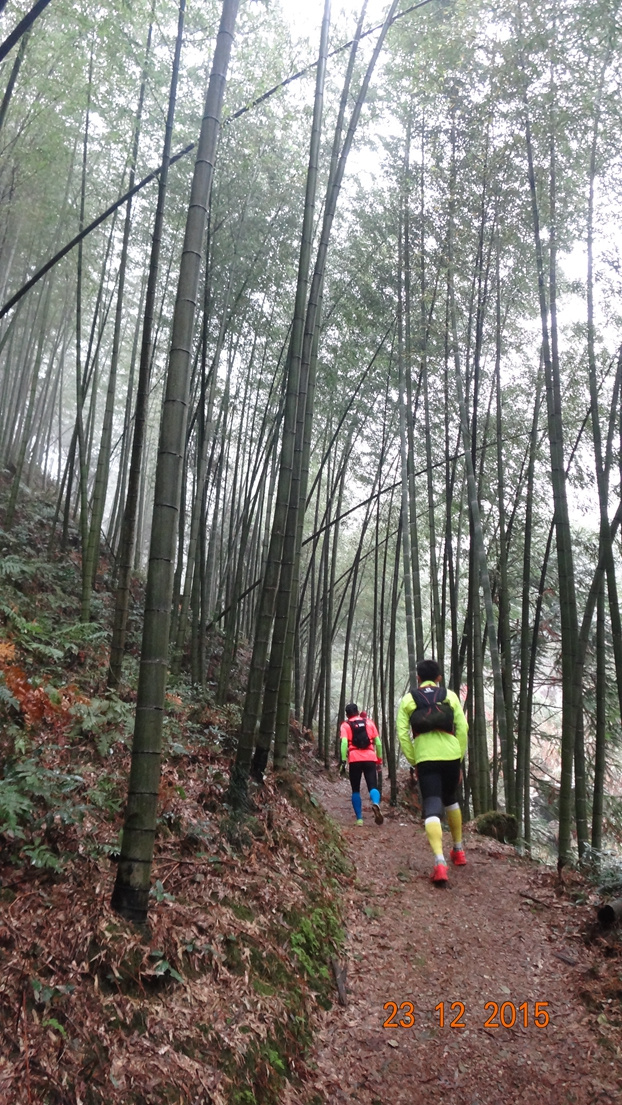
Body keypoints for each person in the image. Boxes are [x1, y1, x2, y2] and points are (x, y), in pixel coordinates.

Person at [396, 658, 468, 885]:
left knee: (432, 805)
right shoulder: (450, 696)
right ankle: (458, 851)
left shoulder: (409, 699)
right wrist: (459, 756)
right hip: (450, 755)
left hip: (426, 757)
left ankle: (439, 863)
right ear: (439, 678)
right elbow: (463, 728)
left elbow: (402, 734)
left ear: (418, 677)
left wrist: (414, 759)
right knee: (451, 800)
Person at [340, 703, 384, 826]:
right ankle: (375, 803)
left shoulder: (345, 725)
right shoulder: (369, 723)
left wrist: (343, 760)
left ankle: (359, 819)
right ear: (358, 712)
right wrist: (379, 760)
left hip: (354, 759)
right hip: (370, 757)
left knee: (355, 790)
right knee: (372, 786)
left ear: (347, 714)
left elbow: (344, 744)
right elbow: (379, 744)